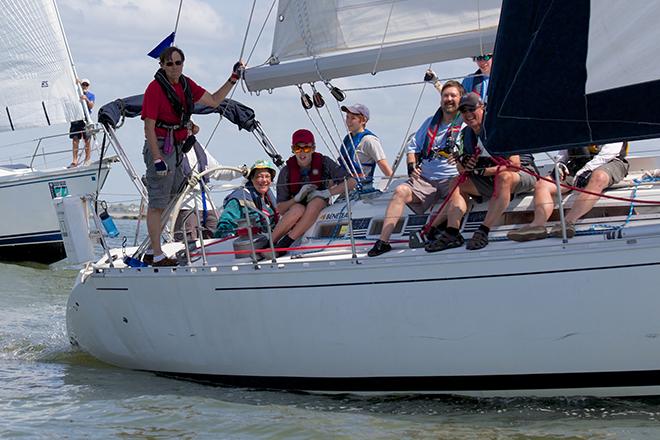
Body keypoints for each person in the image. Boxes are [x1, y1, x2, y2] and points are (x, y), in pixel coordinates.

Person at [141, 46, 242, 266]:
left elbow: (214, 100)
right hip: (160, 146)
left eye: (178, 63)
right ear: (162, 65)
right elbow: (149, 126)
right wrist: (157, 158)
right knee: (157, 202)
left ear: (183, 64)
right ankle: (156, 254)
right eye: (169, 64)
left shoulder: (186, 84)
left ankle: (151, 248)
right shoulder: (155, 89)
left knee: (176, 194)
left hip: (177, 148)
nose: (174, 68)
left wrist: (233, 79)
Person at [425, 92, 537, 252]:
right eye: (463, 111)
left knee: (503, 177)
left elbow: (514, 165)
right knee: (456, 181)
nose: (468, 114)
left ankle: (484, 230)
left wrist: (482, 171)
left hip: (521, 174)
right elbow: (462, 169)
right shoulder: (465, 135)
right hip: (491, 178)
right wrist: (463, 164)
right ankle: (452, 232)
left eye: (472, 109)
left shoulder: (500, 129)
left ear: (483, 108)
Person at [367, 80, 465, 257]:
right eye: (445, 96)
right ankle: (383, 241)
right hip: (426, 179)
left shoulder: (466, 123)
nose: (449, 99)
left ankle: (448, 231)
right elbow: (412, 147)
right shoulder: (430, 122)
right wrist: (412, 166)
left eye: (453, 96)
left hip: (452, 177)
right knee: (400, 191)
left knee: (457, 192)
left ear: (461, 99)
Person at [507, 143, 629, 241]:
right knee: (543, 184)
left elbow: (609, 153)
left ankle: (567, 223)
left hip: (610, 162)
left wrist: (587, 170)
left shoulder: (610, 120)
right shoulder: (575, 122)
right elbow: (564, 150)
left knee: (599, 177)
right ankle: (537, 225)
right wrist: (559, 164)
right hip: (579, 164)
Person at [271, 129, 356, 255]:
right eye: (298, 148)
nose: (302, 153)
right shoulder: (286, 171)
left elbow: (351, 182)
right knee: (298, 209)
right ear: (293, 149)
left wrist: (326, 193)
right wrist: (297, 198)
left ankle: (286, 243)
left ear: (313, 148)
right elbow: (281, 209)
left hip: (318, 204)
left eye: (306, 148)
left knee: (315, 202)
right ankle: (270, 243)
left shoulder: (325, 163)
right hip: (295, 208)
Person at [174, 137, 246, 241]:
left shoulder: (198, 148)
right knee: (188, 239)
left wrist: (241, 171)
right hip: (185, 203)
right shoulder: (171, 148)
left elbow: (217, 171)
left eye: (190, 126)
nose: (187, 129)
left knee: (219, 234)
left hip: (206, 201)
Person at [214, 160, 278, 238]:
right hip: (248, 244)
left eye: (267, 176)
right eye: (259, 176)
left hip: (271, 240)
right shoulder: (240, 198)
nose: (264, 180)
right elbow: (224, 226)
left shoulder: (270, 202)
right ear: (252, 178)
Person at [339, 103, 393, 185]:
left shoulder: (369, 140)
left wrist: (394, 185)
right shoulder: (348, 140)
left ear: (363, 120)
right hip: (346, 188)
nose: (348, 121)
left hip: (362, 188)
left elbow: (383, 165)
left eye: (353, 118)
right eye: (347, 117)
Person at [68, 78, 95, 167]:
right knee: (75, 139)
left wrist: (86, 99)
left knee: (87, 139)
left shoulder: (91, 95)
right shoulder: (75, 93)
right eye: (83, 84)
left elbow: (91, 106)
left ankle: (87, 159)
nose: (84, 86)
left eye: (86, 85)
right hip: (76, 118)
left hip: (86, 119)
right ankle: (74, 160)